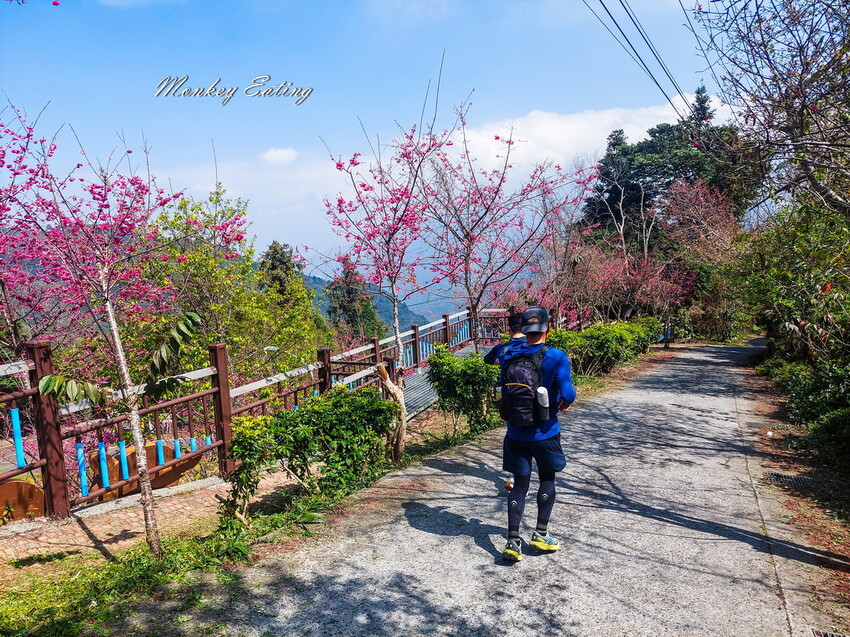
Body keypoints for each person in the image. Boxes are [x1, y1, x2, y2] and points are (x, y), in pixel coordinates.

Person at [499, 306, 576, 562]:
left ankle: (513, 541)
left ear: (523, 329)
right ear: (547, 328)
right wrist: (564, 403)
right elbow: (568, 394)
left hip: (515, 433)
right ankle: (541, 534)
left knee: (519, 485)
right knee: (547, 479)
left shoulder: (508, 354)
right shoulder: (556, 356)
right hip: (545, 433)